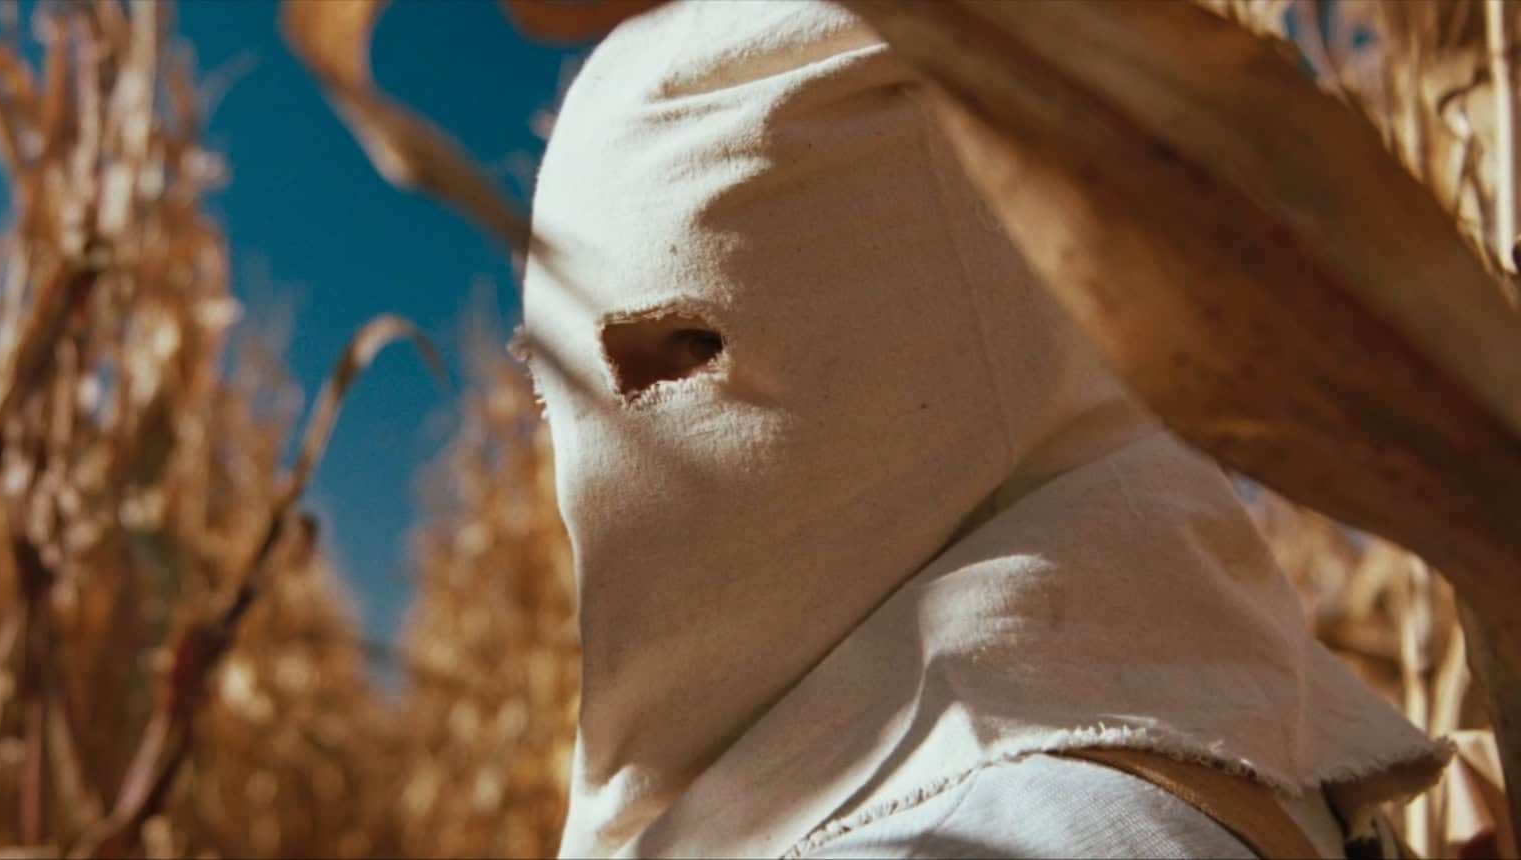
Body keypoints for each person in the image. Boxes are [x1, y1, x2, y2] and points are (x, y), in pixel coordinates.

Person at [512, 2, 1449, 857]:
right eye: (565, 400)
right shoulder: (1221, 741)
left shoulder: (1010, 831)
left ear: (951, 325)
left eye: (688, 351)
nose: (608, 456)